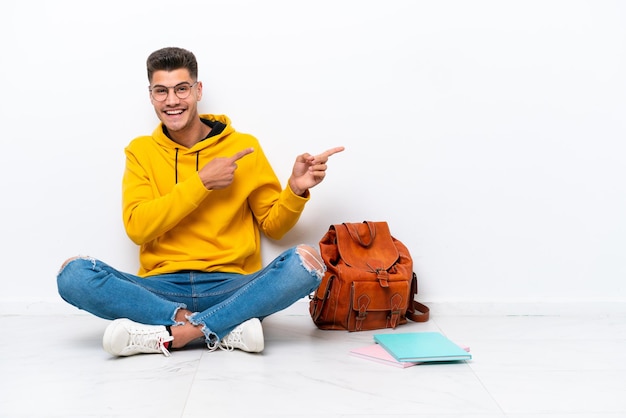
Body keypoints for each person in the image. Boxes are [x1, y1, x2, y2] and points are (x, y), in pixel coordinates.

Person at [57, 46, 344, 357]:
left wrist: (295, 189)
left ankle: (174, 335)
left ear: (198, 90)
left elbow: (274, 228)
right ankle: (219, 328)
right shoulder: (140, 151)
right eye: (161, 91)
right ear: (151, 95)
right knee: (73, 274)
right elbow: (138, 228)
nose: (171, 100)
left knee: (306, 263)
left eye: (181, 89)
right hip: (160, 289)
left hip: (231, 287)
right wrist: (202, 183)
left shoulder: (242, 146)